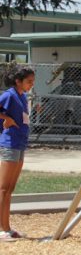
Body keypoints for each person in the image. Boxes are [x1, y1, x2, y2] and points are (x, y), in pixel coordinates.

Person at [0, 66, 35, 242]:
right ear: (18, 81)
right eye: (29, 81)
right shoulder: (8, 95)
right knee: (3, 188)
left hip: (20, 144)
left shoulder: (21, 96)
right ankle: (1, 229)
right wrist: (6, 119)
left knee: (10, 189)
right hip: (10, 144)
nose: (31, 85)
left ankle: (7, 227)